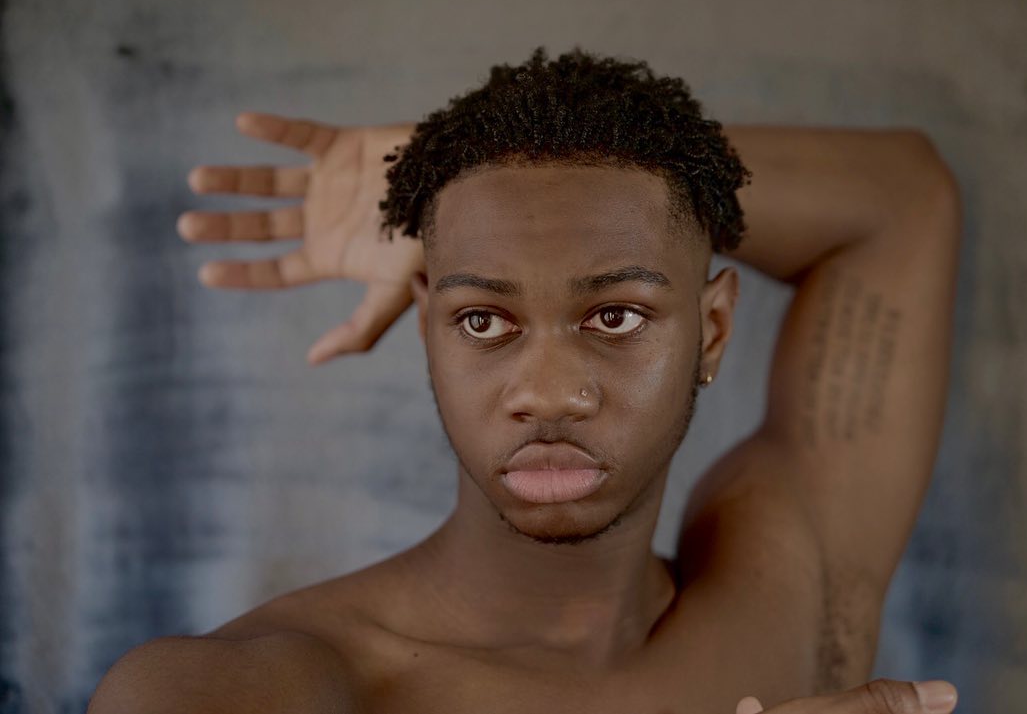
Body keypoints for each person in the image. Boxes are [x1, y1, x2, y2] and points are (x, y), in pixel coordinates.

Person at [88, 49, 962, 714]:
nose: (545, 393)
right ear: (428, 327)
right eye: (482, 319)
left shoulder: (783, 597)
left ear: (713, 329)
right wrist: (446, 185)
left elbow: (900, 197)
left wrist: (459, 169)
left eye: (614, 316)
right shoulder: (250, 686)